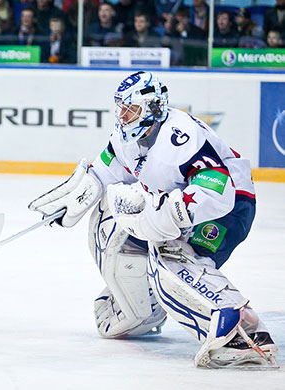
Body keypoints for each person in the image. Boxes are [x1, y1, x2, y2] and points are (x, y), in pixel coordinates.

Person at [28, 71, 278, 369]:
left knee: (170, 256)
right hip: (187, 205)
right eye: (121, 108)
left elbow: (217, 187)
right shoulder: (126, 138)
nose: (123, 116)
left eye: (130, 109)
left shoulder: (181, 135)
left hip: (228, 209)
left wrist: (170, 213)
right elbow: (104, 172)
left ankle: (242, 332)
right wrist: (76, 197)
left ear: (154, 107)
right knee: (113, 222)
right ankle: (143, 310)